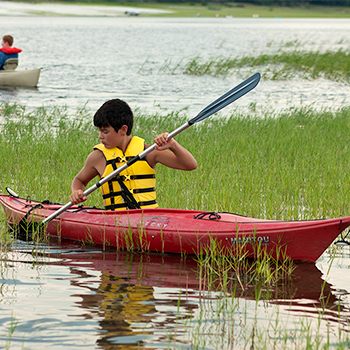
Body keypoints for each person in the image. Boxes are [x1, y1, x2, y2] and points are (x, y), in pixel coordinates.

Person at [69, 99, 197, 211]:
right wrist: (76, 191)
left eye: (105, 131)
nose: (100, 136)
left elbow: (190, 165)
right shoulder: (97, 157)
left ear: (123, 130)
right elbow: (79, 180)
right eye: (99, 131)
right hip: (115, 221)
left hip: (149, 219)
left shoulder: (148, 152)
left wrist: (173, 145)